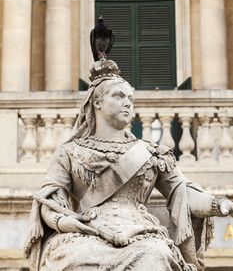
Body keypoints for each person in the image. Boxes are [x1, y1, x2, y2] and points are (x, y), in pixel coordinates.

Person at [25, 59, 233, 271]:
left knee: (155, 257)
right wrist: (64, 223)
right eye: (119, 96)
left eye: (130, 98)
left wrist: (220, 205)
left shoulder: (152, 153)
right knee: (76, 260)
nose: (128, 103)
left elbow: (184, 193)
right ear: (96, 102)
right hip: (86, 233)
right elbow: (49, 203)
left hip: (141, 234)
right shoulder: (69, 152)